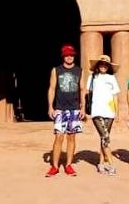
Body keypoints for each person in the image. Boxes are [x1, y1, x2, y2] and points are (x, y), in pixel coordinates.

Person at [45, 44, 85, 177]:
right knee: (58, 137)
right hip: (60, 108)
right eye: (67, 55)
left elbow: (82, 89)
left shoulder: (80, 70)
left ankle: (68, 165)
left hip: (74, 108)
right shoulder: (56, 70)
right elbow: (51, 88)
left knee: (71, 137)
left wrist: (83, 107)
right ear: (63, 56)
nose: (69, 57)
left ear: (74, 56)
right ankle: (55, 166)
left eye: (71, 55)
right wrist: (50, 106)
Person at [87, 54, 121, 175]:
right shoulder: (92, 77)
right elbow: (88, 93)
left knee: (103, 138)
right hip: (97, 111)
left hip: (109, 112)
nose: (103, 66)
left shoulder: (111, 78)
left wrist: (116, 113)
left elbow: (115, 96)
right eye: (101, 64)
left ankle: (101, 164)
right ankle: (111, 164)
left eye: (106, 64)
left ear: (108, 67)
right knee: (105, 137)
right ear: (98, 65)